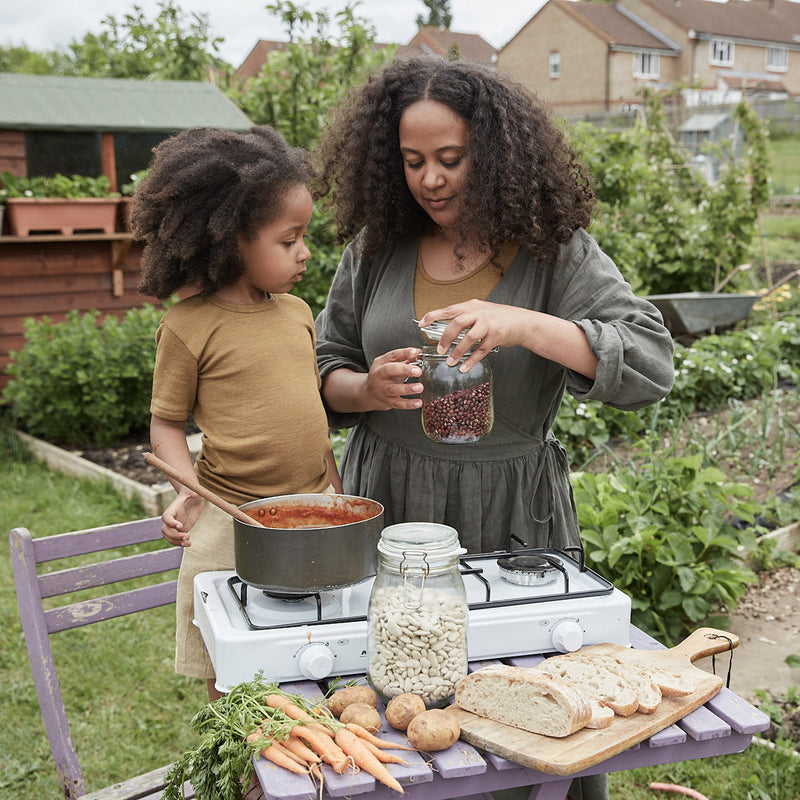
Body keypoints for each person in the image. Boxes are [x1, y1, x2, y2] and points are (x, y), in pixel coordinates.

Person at [313, 58, 675, 800]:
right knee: (391, 719)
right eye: (412, 162)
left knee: (524, 720)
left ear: (498, 153)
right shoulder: (377, 248)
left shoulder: (555, 251)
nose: (431, 180)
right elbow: (325, 365)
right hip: (391, 508)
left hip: (511, 519)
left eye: (451, 158)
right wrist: (364, 386)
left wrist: (530, 325)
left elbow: (649, 362)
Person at [132, 126, 342, 702]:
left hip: (311, 512)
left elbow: (311, 415)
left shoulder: (298, 312)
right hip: (231, 520)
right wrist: (187, 489)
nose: (304, 252)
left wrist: (337, 489)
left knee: (313, 652)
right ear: (231, 241)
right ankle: (244, 782)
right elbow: (166, 426)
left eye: (305, 237)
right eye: (288, 239)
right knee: (231, 673)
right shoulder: (188, 327)